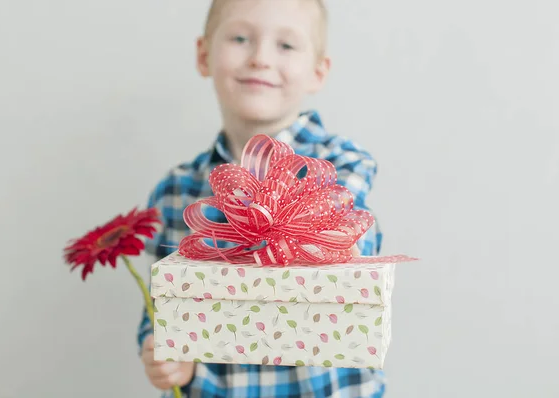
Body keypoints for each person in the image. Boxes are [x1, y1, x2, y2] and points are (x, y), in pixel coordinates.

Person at [138, 0, 385, 396]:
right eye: (240, 38)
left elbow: (347, 246)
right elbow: (161, 309)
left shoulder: (339, 166)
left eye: (286, 46)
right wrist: (166, 355)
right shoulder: (176, 191)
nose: (260, 59)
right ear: (204, 56)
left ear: (317, 72)